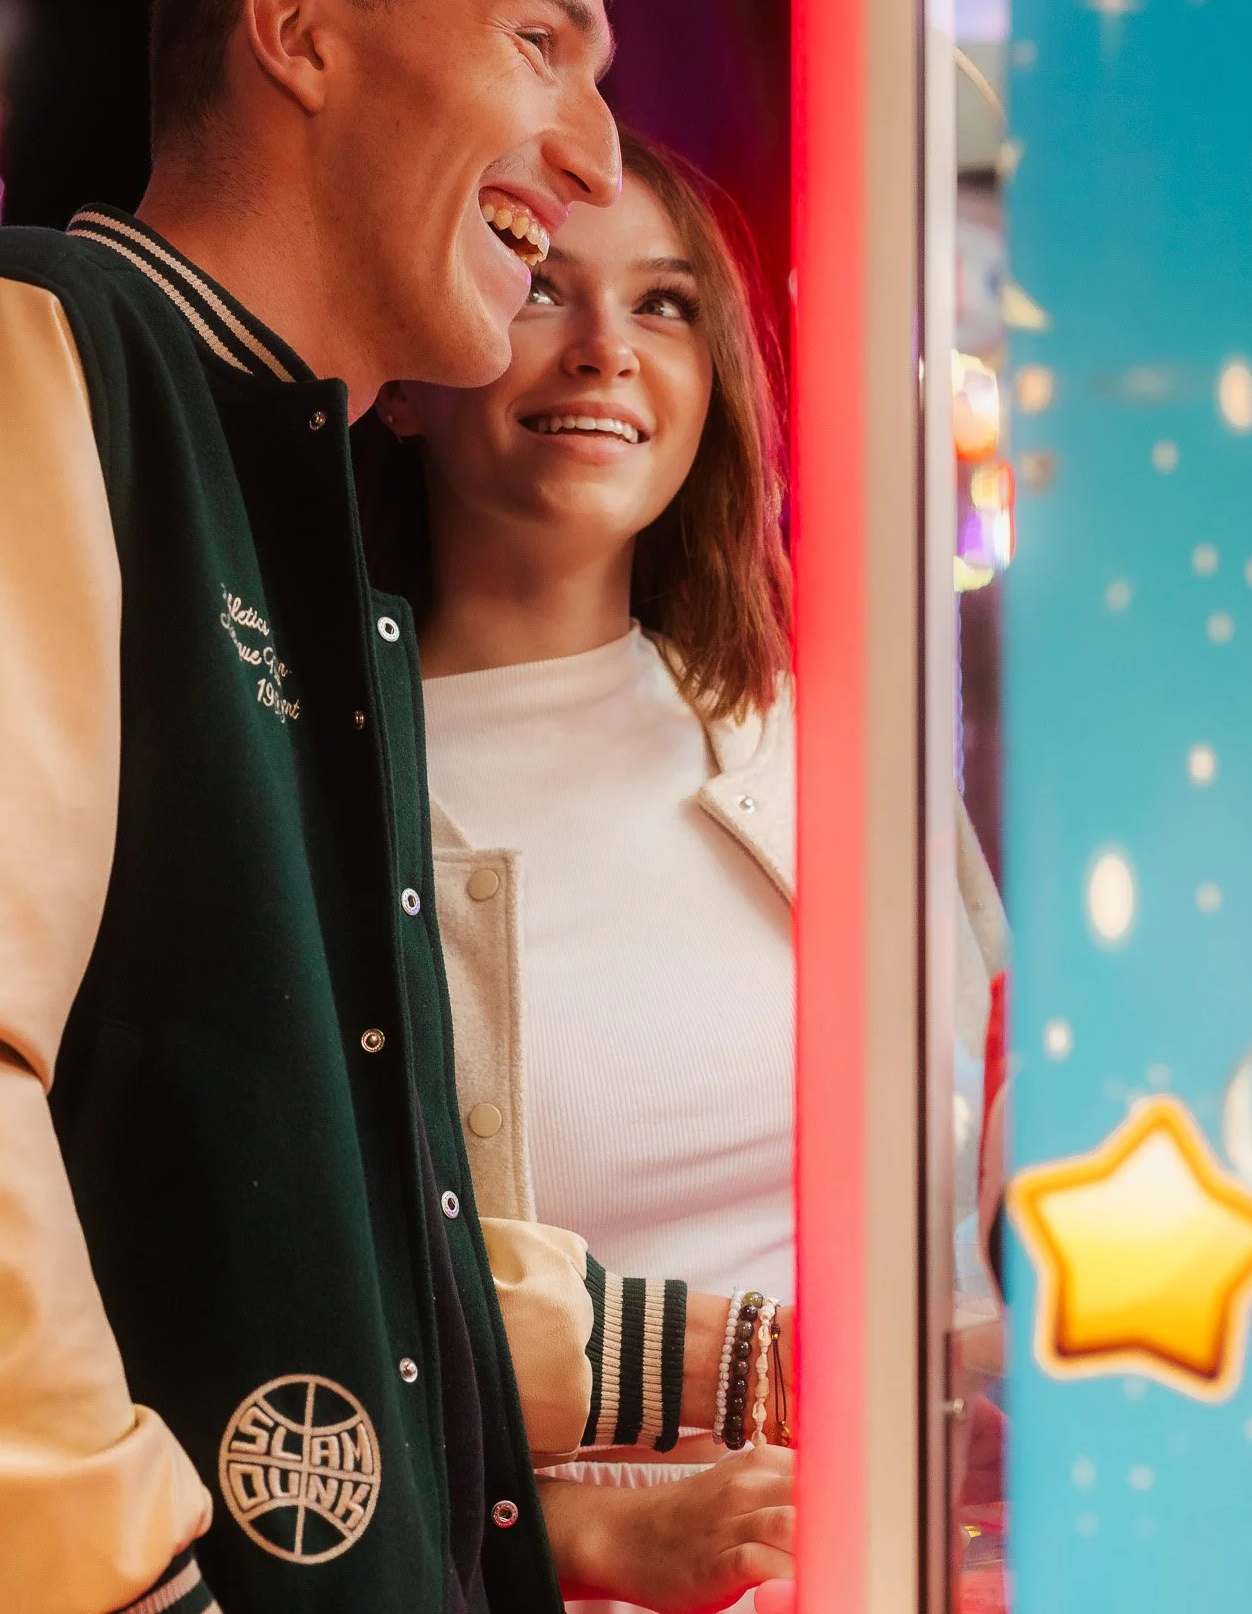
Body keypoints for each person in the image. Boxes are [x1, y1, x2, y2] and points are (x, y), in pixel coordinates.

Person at [0, 0, 650, 1614]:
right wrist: (123, 1582)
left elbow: (295, 1180)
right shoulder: (15, 349)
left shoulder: (287, 490)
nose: (596, 159)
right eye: (539, 45)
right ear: (297, 35)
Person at [358, 129, 1005, 1612]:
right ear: (408, 371)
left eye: (662, 306)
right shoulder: (321, 790)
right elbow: (291, 1314)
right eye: (540, 289)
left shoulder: (829, 743)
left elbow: (994, 1211)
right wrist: (578, 1529)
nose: (603, 351)